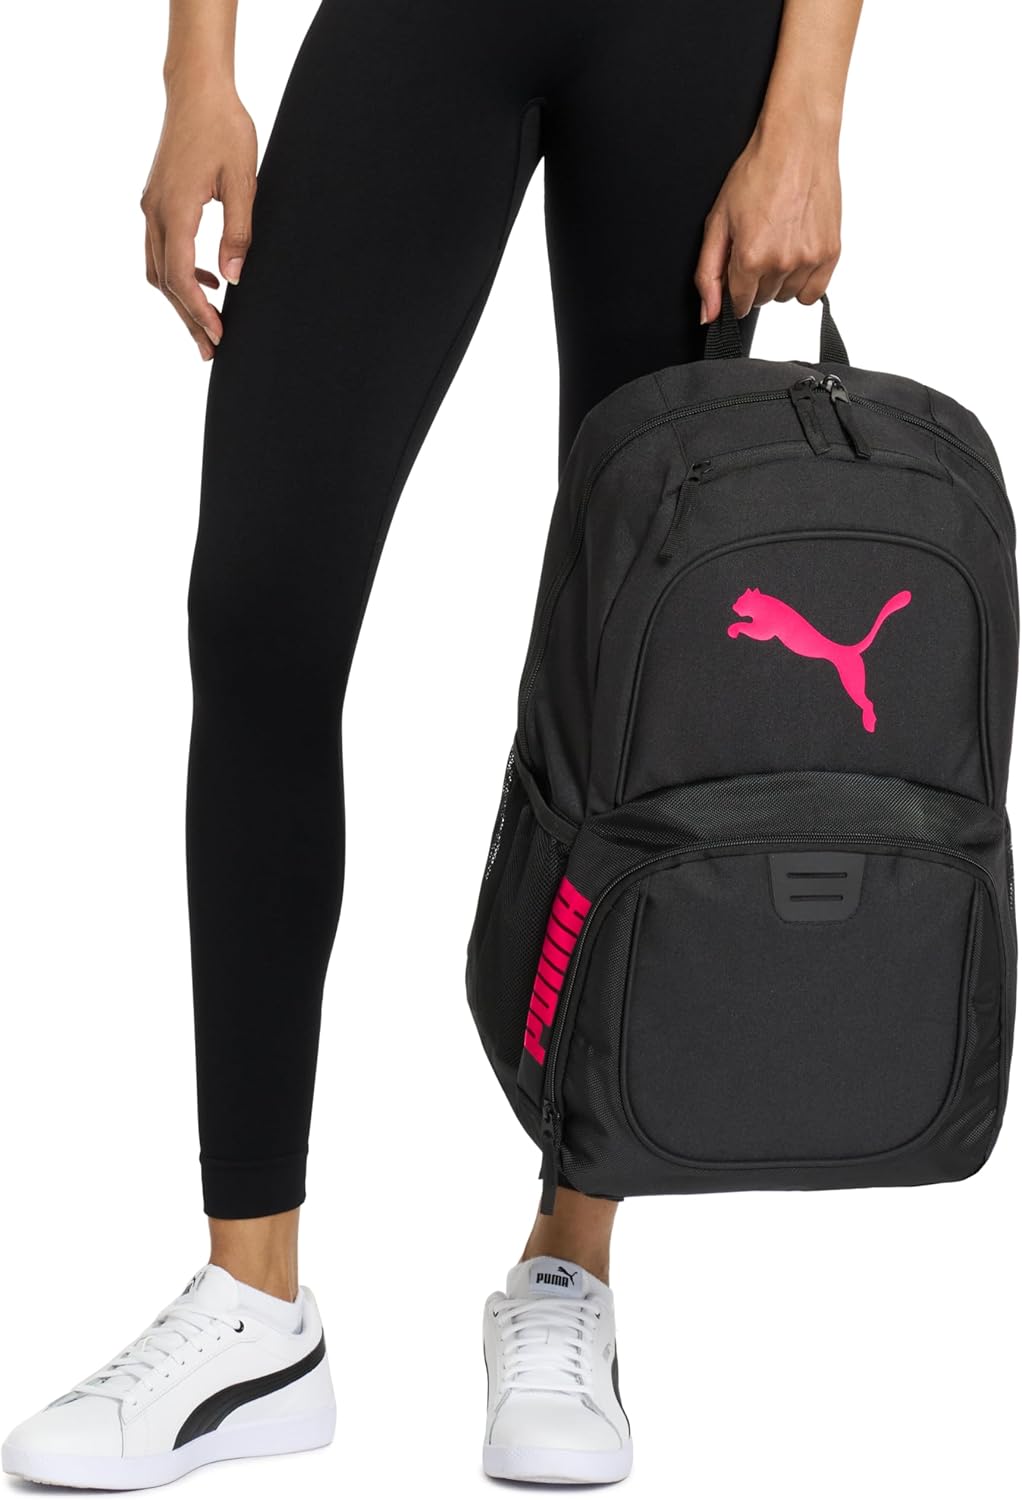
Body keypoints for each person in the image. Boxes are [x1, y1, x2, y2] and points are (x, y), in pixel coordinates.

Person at [2, 0, 862, 1487]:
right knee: (261, 604)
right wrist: (198, 70)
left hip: (693, 35)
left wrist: (809, 111)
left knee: (637, 645)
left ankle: (571, 1258)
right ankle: (254, 1303)